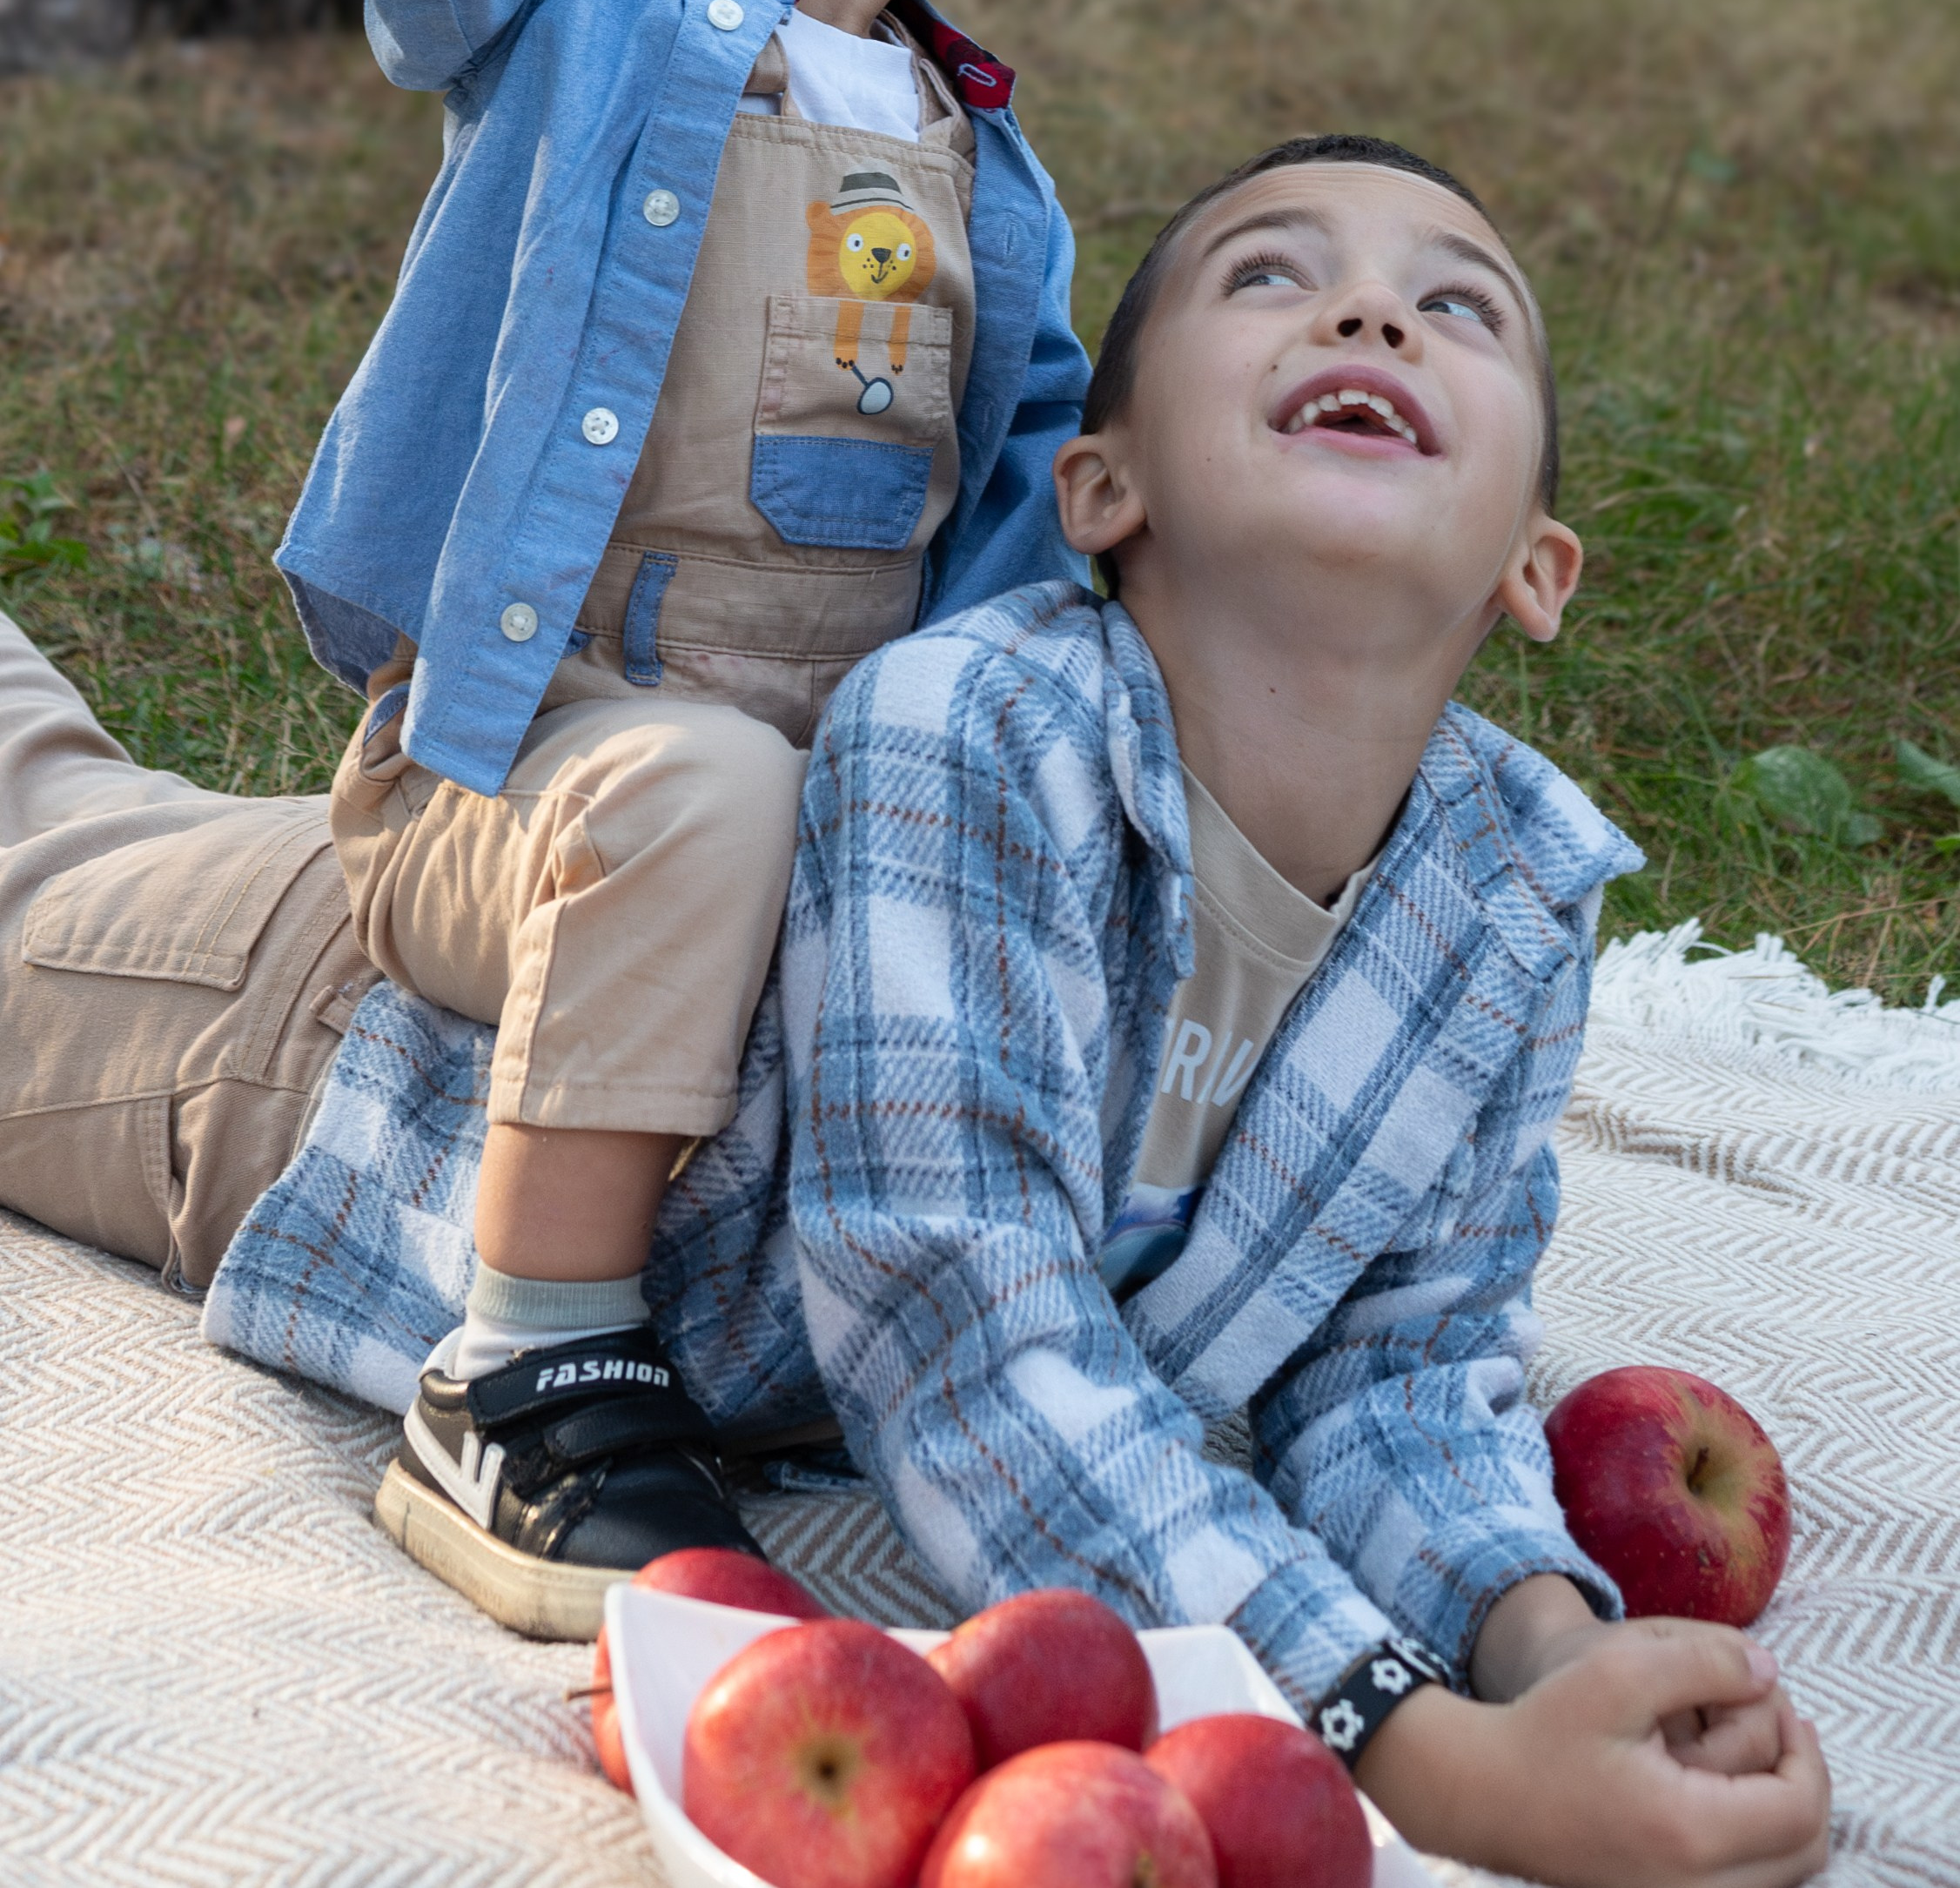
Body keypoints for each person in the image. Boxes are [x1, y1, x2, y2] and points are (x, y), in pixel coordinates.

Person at [0, 136, 1829, 1885]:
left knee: (55, 784)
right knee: (39, 852)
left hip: (453, 1043)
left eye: (1461, 307)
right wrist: (1413, 1748)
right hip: (317, 1072)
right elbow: (961, 1317)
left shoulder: (1506, 901)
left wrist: (1533, 1646)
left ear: (1536, 567)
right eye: (1272, 275)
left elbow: (1400, 1366)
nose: (1369, 319)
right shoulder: (972, 728)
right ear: (1100, 490)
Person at [243, 0, 1093, 1618]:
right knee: (696, 784)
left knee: (920, 904)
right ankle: (519, 1367)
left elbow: (1018, 553)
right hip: (508, 774)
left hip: (785, 835)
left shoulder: (985, 188)